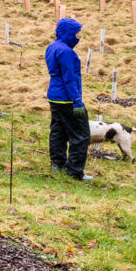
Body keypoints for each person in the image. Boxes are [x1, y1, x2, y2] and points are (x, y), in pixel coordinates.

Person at [46, 17, 93, 181]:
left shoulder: (52, 47)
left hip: (54, 96)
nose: (78, 37)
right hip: (67, 98)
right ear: (68, 33)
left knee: (58, 130)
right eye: (76, 33)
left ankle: (57, 163)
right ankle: (74, 170)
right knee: (81, 134)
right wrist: (77, 102)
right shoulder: (66, 52)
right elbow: (70, 78)